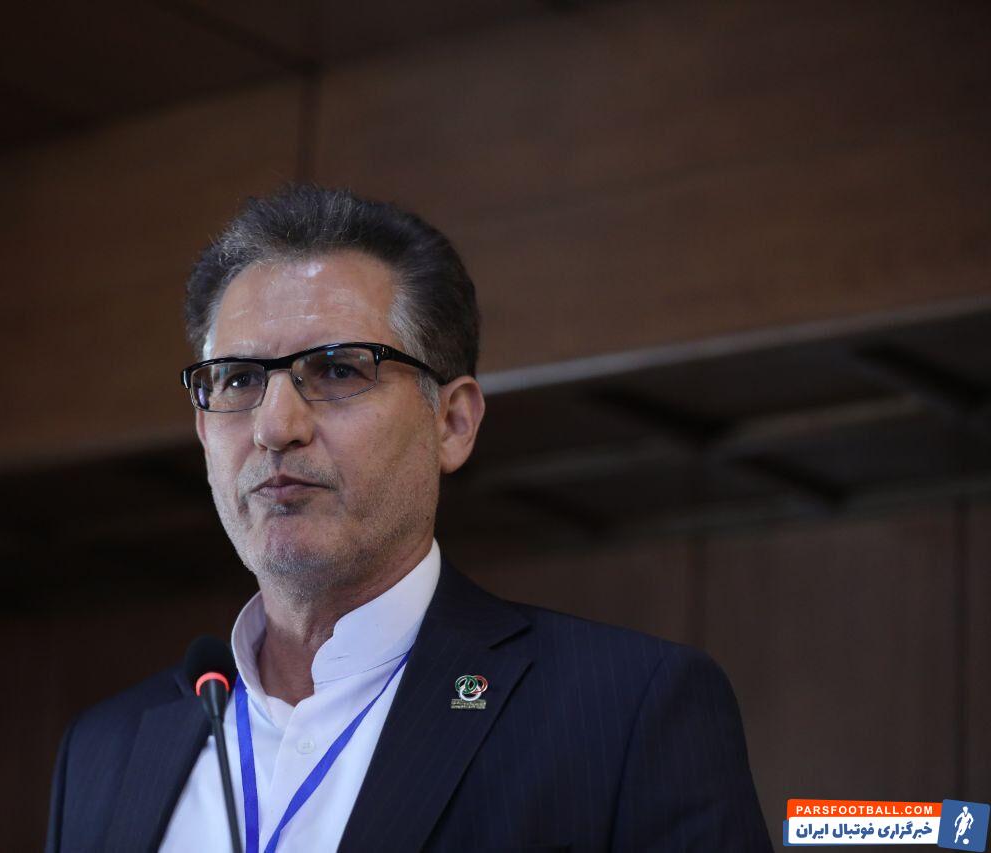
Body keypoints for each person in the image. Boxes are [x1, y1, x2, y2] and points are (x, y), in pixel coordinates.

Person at [45, 185, 772, 852]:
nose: (274, 427)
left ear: (452, 422)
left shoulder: (625, 711)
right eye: (237, 379)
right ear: (205, 431)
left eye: (337, 369)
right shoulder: (106, 750)